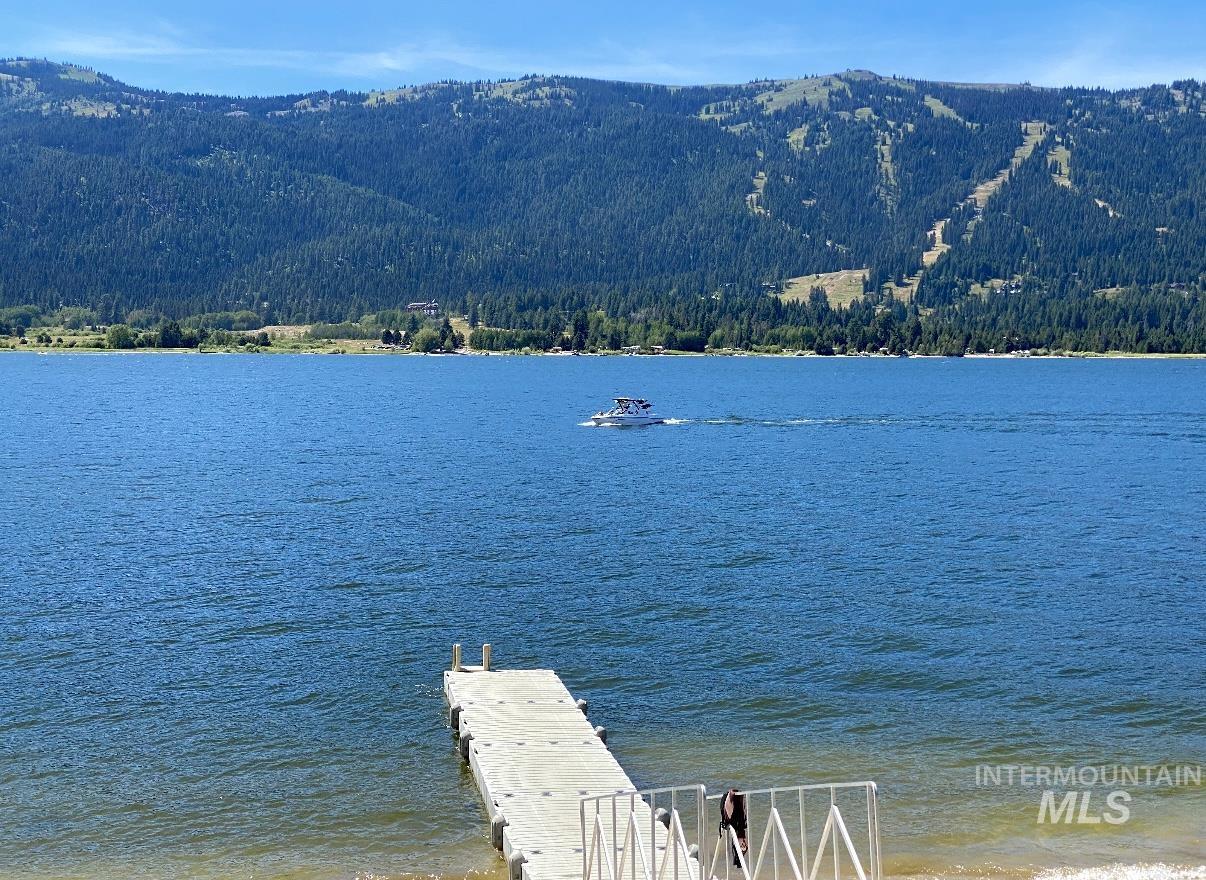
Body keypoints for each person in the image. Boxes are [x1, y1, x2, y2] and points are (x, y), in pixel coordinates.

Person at [718, 788, 749, 867]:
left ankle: (738, 858)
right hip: (734, 823)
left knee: (738, 835)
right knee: (739, 835)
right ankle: (738, 859)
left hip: (733, 822)